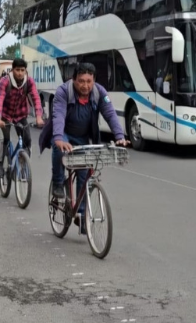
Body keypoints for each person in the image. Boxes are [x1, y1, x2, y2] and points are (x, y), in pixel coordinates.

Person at [38, 63, 129, 231]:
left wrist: (120, 137)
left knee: (84, 174)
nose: (85, 85)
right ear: (74, 80)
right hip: (64, 133)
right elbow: (58, 116)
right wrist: (58, 138)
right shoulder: (63, 92)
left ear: (94, 80)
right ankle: (58, 184)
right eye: (81, 81)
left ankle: (81, 215)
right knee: (59, 149)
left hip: (83, 137)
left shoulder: (99, 92)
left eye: (89, 81)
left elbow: (110, 113)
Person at [0, 58, 44, 177]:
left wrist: (39, 116)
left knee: (27, 141)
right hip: (5, 115)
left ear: (25, 71)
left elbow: (36, 98)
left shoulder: (29, 81)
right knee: (5, 139)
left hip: (21, 115)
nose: (20, 73)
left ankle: (22, 165)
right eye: (17, 70)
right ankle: (0, 162)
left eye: (22, 70)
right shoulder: (5, 82)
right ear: (12, 70)